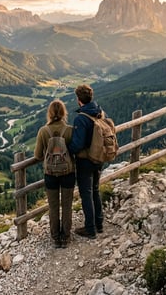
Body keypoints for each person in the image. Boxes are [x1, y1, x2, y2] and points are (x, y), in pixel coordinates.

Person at [34, 99, 75, 248]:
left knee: (53, 206)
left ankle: (55, 237)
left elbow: (38, 155)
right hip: (68, 172)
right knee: (67, 205)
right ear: (64, 113)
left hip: (50, 173)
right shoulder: (70, 130)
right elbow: (76, 150)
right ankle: (66, 237)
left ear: (49, 113)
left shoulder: (43, 131)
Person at [68, 84, 104, 239]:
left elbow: (77, 145)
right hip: (99, 158)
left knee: (86, 193)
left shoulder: (81, 118)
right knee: (95, 190)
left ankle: (90, 229)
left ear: (78, 99)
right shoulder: (100, 113)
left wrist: (67, 149)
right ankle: (99, 224)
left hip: (85, 161)